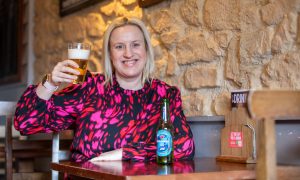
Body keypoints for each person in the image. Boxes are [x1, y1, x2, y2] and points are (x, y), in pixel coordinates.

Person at [14, 17, 195, 162]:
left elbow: (185, 146)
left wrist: (125, 153)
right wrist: (51, 82)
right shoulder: (90, 87)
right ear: (109, 54)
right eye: (119, 46)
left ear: (147, 50)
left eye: (135, 44)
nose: (128, 53)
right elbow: (25, 123)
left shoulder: (165, 94)